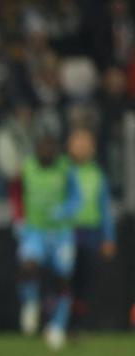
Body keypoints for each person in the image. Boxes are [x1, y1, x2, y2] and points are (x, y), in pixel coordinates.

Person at [13, 134, 82, 350]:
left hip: (61, 233)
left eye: (50, 150)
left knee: (63, 279)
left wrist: (66, 210)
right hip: (35, 230)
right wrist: (19, 220)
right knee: (28, 266)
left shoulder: (65, 168)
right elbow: (15, 194)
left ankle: (58, 326)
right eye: (42, 150)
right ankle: (31, 303)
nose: (46, 154)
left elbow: (76, 197)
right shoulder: (27, 168)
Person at [67, 127, 116, 328]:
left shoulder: (97, 174)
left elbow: (105, 208)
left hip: (91, 233)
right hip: (67, 232)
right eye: (78, 143)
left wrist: (109, 237)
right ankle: (60, 321)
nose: (82, 147)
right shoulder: (64, 171)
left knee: (86, 281)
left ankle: (80, 323)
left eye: (86, 143)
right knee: (65, 279)